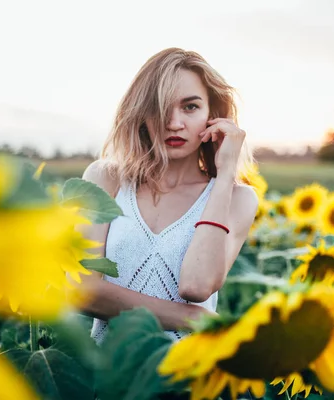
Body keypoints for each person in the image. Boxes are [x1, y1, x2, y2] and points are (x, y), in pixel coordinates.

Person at [78, 47, 259, 343]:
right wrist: (191, 317)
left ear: (212, 116)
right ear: (141, 114)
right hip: (111, 376)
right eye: (160, 107)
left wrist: (225, 174)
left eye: (190, 107)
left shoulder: (238, 199)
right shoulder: (106, 180)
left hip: (187, 380)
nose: (174, 123)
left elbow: (196, 286)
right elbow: (80, 290)